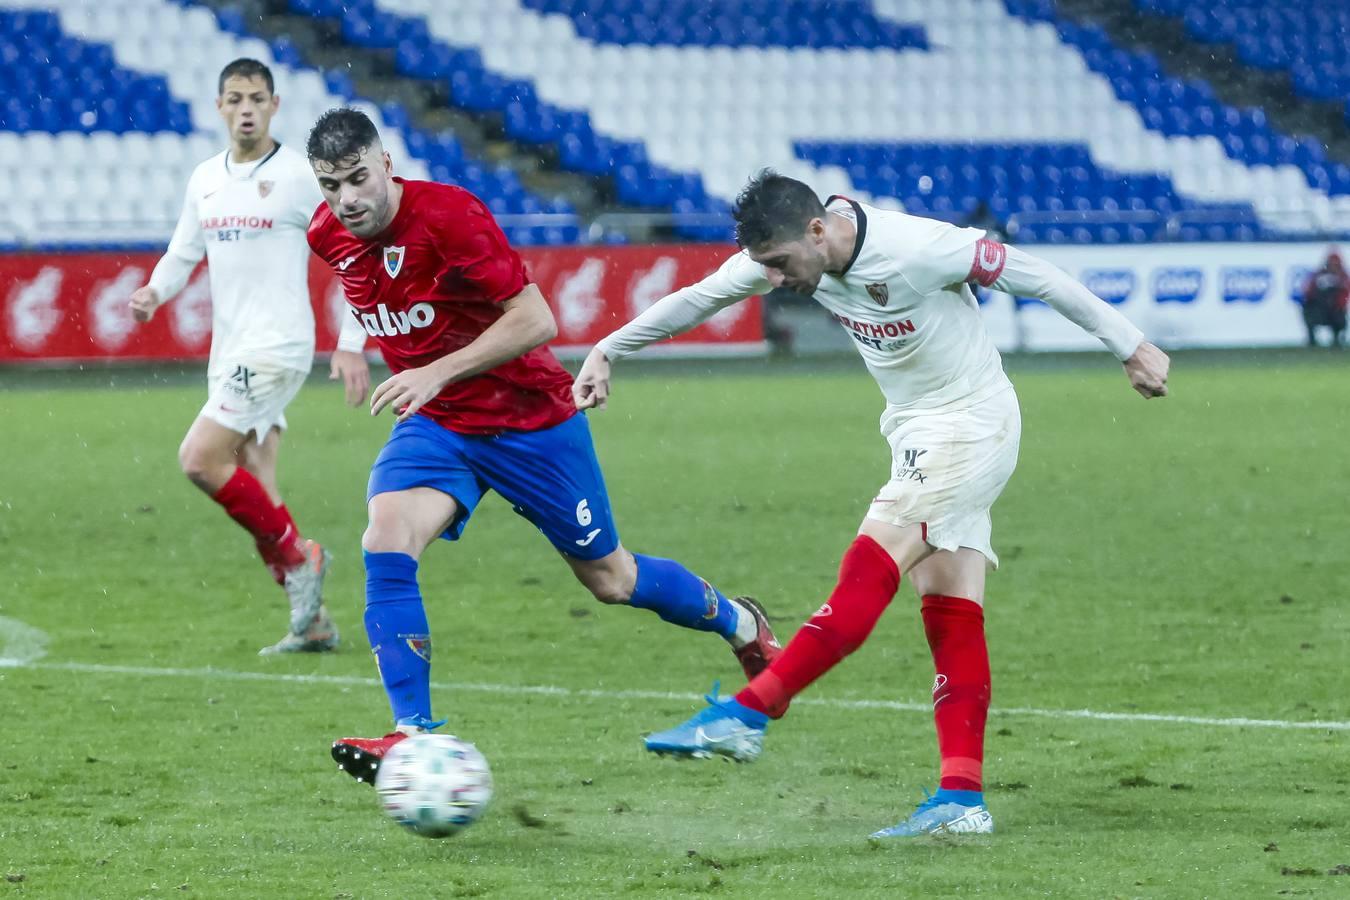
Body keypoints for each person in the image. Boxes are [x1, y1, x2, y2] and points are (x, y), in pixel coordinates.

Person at [573, 170, 1170, 838]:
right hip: (917, 429)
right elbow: (700, 298)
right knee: (950, 608)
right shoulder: (790, 251)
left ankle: (748, 715)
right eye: (763, 266)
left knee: (869, 562)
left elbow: (1035, 275)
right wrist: (606, 349)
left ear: (819, 230)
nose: (772, 279)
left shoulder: (918, 248)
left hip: (969, 424)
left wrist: (1131, 345)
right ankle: (961, 799)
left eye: (779, 264)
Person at [301, 109, 782, 784]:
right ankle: (412, 736)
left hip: (529, 421)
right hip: (439, 424)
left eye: (358, 177)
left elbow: (536, 319)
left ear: (385, 164)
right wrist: (359, 348)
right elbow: (369, 291)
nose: (347, 199)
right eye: (331, 186)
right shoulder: (329, 234)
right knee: (385, 539)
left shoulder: (451, 217)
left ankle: (742, 625)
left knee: (611, 579)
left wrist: (434, 368)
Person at [129, 59, 371, 655]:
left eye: (256, 99)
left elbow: (355, 258)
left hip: (278, 345)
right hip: (231, 350)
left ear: (274, 105)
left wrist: (350, 342)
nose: (245, 108)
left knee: (199, 458)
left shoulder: (297, 177)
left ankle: (300, 558)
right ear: (218, 106)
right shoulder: (205, 178)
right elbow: (183, 252)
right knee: (257, 478)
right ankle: (312, 622)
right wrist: (154, 292)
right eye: (234, 98)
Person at [1301, 250, 1348, 348]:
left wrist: (1337, 303)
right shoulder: (1318, 275)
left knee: (1340, 316)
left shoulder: (1343, 277)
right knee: (1307, 311)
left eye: (1335, 264)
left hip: (1335, 310)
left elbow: (1345, 294)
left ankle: (1337, 339)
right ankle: (1312, 340)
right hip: (1319, 309)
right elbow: (1307, 292)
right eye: (1331, 264)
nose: (1333, 266)